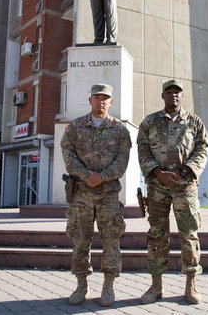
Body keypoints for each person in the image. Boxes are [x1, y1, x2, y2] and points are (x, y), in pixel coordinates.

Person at [137, 80, 208, 305]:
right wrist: (158, 173)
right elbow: (143, 148)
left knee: (189, 235)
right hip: (158, 187)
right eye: (169, 92)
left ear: (182, 95)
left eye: (177, 92)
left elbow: (203, 147)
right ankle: (156, 285)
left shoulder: (194, 121)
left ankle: (191, 284)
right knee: (157, 235)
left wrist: (187, 170)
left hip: (185, 187)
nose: (173, 96)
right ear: (163, 96)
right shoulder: (150, 121)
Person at [60, 84, 132, 307]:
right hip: (81, 194)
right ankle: (82, 284)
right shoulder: (76, 127)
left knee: (111, 240)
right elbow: (67, 153)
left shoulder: (120, 130)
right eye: (97, 97)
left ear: (111, 102)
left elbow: (122, 161)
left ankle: (108, 285)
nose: (101, 101)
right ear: (89, 100)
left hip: (108, 195)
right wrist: (85, 175)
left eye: (105, 98)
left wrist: (101, 177)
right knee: (80, 240)